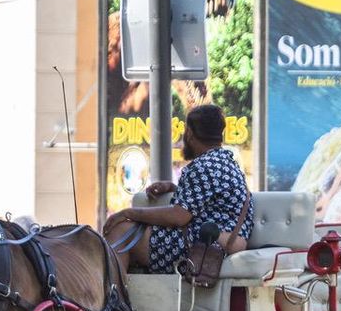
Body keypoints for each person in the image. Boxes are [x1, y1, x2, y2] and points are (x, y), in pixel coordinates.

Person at [104, 103, 254, 273]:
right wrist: (174, 188)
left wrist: (129, 213)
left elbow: (179, 217)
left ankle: (115, 295)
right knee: (137, 232)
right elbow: (210, 200)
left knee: (121, 230)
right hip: (224, 240)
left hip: (205, 246)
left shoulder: (202, 166)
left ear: (189, 133)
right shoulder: (226, 162)